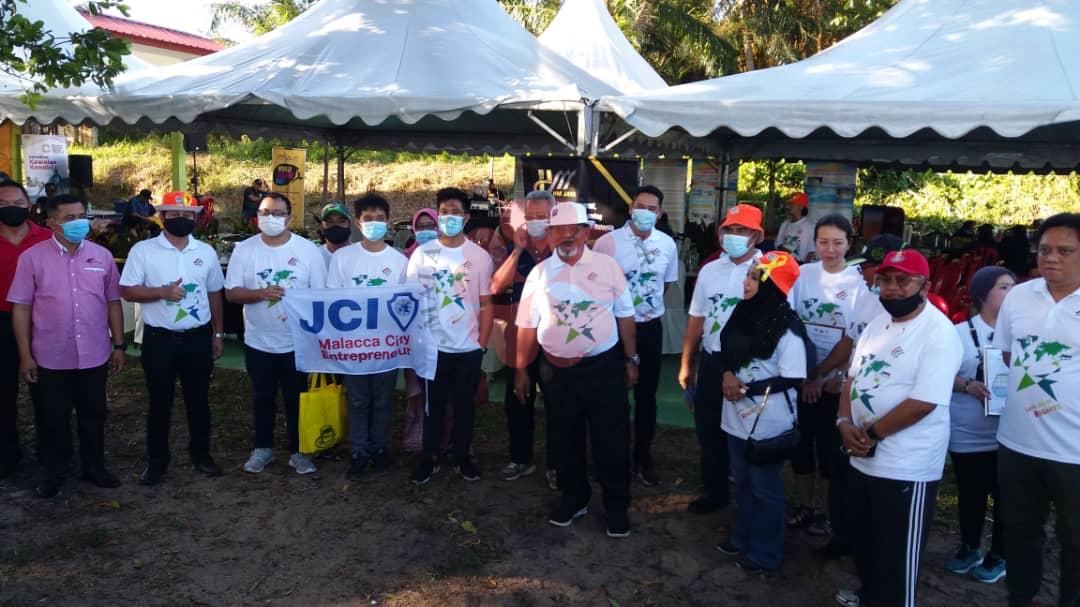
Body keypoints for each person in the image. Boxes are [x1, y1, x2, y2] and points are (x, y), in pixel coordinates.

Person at [834, 249, 963, 607]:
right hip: (862, 454)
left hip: (906, 463)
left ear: (925, 286)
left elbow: (924, 402)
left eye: (903, 280)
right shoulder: (877, 325)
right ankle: (870, 596)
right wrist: (843, 422)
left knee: (897, 551)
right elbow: (851, 379)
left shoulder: (939, 333)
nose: (892, 288)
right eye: (885, 280)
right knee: (866, 539)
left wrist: (870, 435)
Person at [514, 201, 638, 537]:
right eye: (559, 231)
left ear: (586, 232)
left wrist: (631, 359)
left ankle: (616, 506)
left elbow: (625, 316)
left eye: (574, 230)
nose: (567, 236)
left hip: (603, 368)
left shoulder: (608, 267)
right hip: (557, 373)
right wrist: (521, 369)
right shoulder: (540, 273)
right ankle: (575, 497)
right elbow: (526, 324)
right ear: (550, 235)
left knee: (610, 439)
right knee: (564, 437)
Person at [8, 194, 126, 497]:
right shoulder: (32, 258)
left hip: (94, 354)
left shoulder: (102, 256)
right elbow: (22, 307)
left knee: (93, 414)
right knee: (53, 417)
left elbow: (113, 302)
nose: (78, 223)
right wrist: (25, 355)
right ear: (52, 223)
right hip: (50, 356)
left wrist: (119, 345)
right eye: (69, 218)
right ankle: (55, 472)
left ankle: (94, 468)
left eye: (82, 216)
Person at [992, 213, 1080, 607]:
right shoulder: (1019, 296)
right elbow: (1007, 354)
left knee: (1075, 540)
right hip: (1017, 443)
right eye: (1045, 250)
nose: (1052, 258)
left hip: (1074, 452)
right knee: (1019, 532)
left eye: (1065, 251)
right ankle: (1021, 598)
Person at [119, 191, 227, 485]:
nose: (182, 219)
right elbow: (127, 290)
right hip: (159, 340)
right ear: (162, 216)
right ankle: (157, 462)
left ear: (195, 218)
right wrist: (161, 292)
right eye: (175, 214)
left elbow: (214, 293)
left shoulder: (205, 252)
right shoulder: (143, 251)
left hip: (197, 339)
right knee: (159, 403)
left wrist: (218, 333)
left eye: (187, 215)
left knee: (199, 401)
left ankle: (201, 456)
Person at [714, 251, 810, 573]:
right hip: (735, 415)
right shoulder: (741, 313)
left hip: (767, 421)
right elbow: (724, 350)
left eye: (754, 278)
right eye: (748, 275)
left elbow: (793, 377)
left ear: (772, 285)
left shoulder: (788, 328)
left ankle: (766, 552)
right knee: (742, 481)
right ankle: (742, 536)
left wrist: (745, 389)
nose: (746, 282)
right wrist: (727, 375)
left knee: (765, 487)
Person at [813, 232, 904, 559]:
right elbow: (849, 344)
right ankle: (843, 536)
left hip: (889, 413)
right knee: (842, 469)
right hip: (852, 402)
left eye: (869, 268)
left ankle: (874, 544)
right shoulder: (867, 299)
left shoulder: (916, 313)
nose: (864, 274)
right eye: (865, 268)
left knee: (877, 482)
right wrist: (824, 372)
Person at [225, 192, 326, 476]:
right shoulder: (245, 250)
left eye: (278, 213)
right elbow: (231, 293)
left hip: (298, 342)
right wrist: (260, 294)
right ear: (257, 217)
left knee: (297, 398)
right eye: (265, 212)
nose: (271, 218)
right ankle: (262, 448)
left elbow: (320, 296)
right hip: (258, 341)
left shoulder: (308, 251)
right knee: (262, 397)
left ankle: (299, 452)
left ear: (290, 218)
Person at [679, 203, 766, 514]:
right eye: (730, 229)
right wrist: (686, 362)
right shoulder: (710, 269)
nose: (734, 235)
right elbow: (697, 317)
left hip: (750, 366)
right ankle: (715, 492)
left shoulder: (768, 270)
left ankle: (752, 497)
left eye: (742, 230)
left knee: (747, 432)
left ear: (757, 235)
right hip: (712, 360)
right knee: (708, 429)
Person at [406, 188, 494, 484]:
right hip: (432, 348)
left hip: (468, 347)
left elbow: (486, 304)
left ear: (466, 217)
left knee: (464, 406)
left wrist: (481, 344)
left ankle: (462, 456)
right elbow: (411, 299)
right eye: (444, 212)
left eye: (456, 212)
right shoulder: (422, 254)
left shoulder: (479, 257)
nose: (449, 218)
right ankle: (429, 456)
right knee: (433, 406)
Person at [785, 215, 865, 537]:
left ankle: (830, 515)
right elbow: (790, 323)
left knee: (831, 451)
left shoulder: (858, 283)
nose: (829, 249)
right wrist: (804, 375)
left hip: (834, 383)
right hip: (801, 377)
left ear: (849, 243)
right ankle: (806, 506)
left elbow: (855, 337)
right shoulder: (802, 274)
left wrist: (831, 375)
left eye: (837, 242)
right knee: (801, 445)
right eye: (823, 242)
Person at [593, 185, 679, 487]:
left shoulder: (667, 244)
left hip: (649, 328)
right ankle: (609, 458)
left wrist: (643, 308)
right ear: (631, 208)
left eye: (652, 209)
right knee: (611, 397)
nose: (645, 213)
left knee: (646, 396)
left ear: (660, 213)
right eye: (640, 206)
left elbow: (665, 285)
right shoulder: (607, 243)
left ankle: (642, 457)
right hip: (613, 329)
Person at [327, 194, 408, 479]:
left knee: (384, 399)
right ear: (358, 223)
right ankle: (358, 452)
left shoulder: (399, 261)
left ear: (388, 222)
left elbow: (404, 305)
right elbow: (331, 301)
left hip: (386, 346)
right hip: (354, 345)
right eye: (368, 218)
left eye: (380, 218)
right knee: (358, 400)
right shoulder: (342, 258)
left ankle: (381, 448)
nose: (374, 223)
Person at [944, 266, 1015, 583]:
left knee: (1005, 497)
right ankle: (969, 547)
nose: (1011, 293)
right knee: (971, 493)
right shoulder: (958, 334)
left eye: (1013, 287)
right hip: (968, 433)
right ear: (983, 294)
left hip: (1009, 435)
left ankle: (999, 555)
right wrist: (967, 386)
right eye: (1004, 287)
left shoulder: (1023, 335)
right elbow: (937, 375)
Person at [491, 191, 557, 485]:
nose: (536, 222)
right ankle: (520, 459)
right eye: (530, 216)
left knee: (558, 403)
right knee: (517, 398)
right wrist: (517, 251)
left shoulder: (565, 248)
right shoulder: (514, 247)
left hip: (555, 339)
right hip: (519, 336)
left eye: (542, 216)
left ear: (554, 215)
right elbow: (496, 286)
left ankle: (557, 464)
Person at [0, 179, 52, 479]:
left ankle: (51, 451)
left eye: (18, 203)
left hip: (41, 322)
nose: (11, 208)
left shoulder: (47, 238)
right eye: (3, 204)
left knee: (47, 392)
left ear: (29, 205)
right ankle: (7, 454)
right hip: (1, 323)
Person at [401, 207, 439, 453]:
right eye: (420, 226)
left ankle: (443, 436)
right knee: (416, 386)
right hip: (414, 334)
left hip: (443, 333)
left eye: (430, 226)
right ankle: (416, 434)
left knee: (441, 389)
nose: (425, 231)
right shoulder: (405, 257)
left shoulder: (448, 256)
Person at [775, 192, 814, 262]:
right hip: (783, 262)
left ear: (801, 207)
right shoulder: (784, 224)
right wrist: (787, 253)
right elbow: (778, 244)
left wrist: (805, 266)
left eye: (792, 204)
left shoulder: (810, 227)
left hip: (799, 264)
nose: (788, 207)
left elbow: (811, 251)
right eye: (789, 204)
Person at [317, 202, 353, 268]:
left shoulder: (360, 255)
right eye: (330, 221)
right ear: (321, 228)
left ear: (350, 226)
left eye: (341, 221)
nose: (336, 225)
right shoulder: (315, 255)